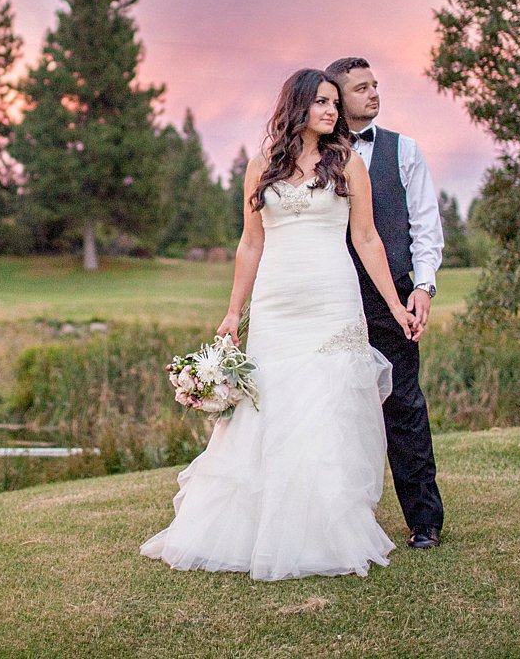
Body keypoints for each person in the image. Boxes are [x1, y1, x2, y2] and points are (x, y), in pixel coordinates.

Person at [140, 68, 417, 581]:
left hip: (334, 300)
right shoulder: (262, 164)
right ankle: (259, 529)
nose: (332, 111)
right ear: (297, 106)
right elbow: (250, 242)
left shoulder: (348, 163)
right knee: (272, 407)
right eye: (321, 102)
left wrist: (397, 306)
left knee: (327, 407)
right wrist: (232, 311)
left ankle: (326, 530)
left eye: (335, 103)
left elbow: (369, 241)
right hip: (276, 302)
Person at [325, 56, 445, 550]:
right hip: (330, 295)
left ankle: (424, 523)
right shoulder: (312, 155)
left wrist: (423, 286)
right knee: (330, 405)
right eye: (360, 88)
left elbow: (425, 225)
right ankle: (339, 519)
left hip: (391, 293)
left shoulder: (405, 151)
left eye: (376, 85)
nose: (374, 94)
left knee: (404, 403)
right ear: (335, 97)